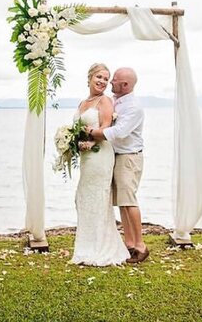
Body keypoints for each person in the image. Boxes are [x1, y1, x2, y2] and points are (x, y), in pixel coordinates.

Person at [71, 63, 130, 266]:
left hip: (100, 155)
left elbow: (106, 128)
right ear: (89, 77)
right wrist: (74, 143)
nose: (103, 82)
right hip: (86, 157)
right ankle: (86, 246)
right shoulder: (83, 103)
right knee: (83, 197)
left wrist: (91, 141)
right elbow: (77, 129)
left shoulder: (105, 101)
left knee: (97, 197)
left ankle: (100, 248)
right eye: (99, 77)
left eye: (106, 79)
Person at [87, 67, 148, 264]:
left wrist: (91, 132)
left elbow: (119, 132)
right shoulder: (115, 101)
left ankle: (141, 246)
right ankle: (129, 244)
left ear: (125, 85)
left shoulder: (134, 107)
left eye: (114, 80)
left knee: (129, 201)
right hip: (116, 156)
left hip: (129, 157)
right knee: (121, 201)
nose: (110, 82)